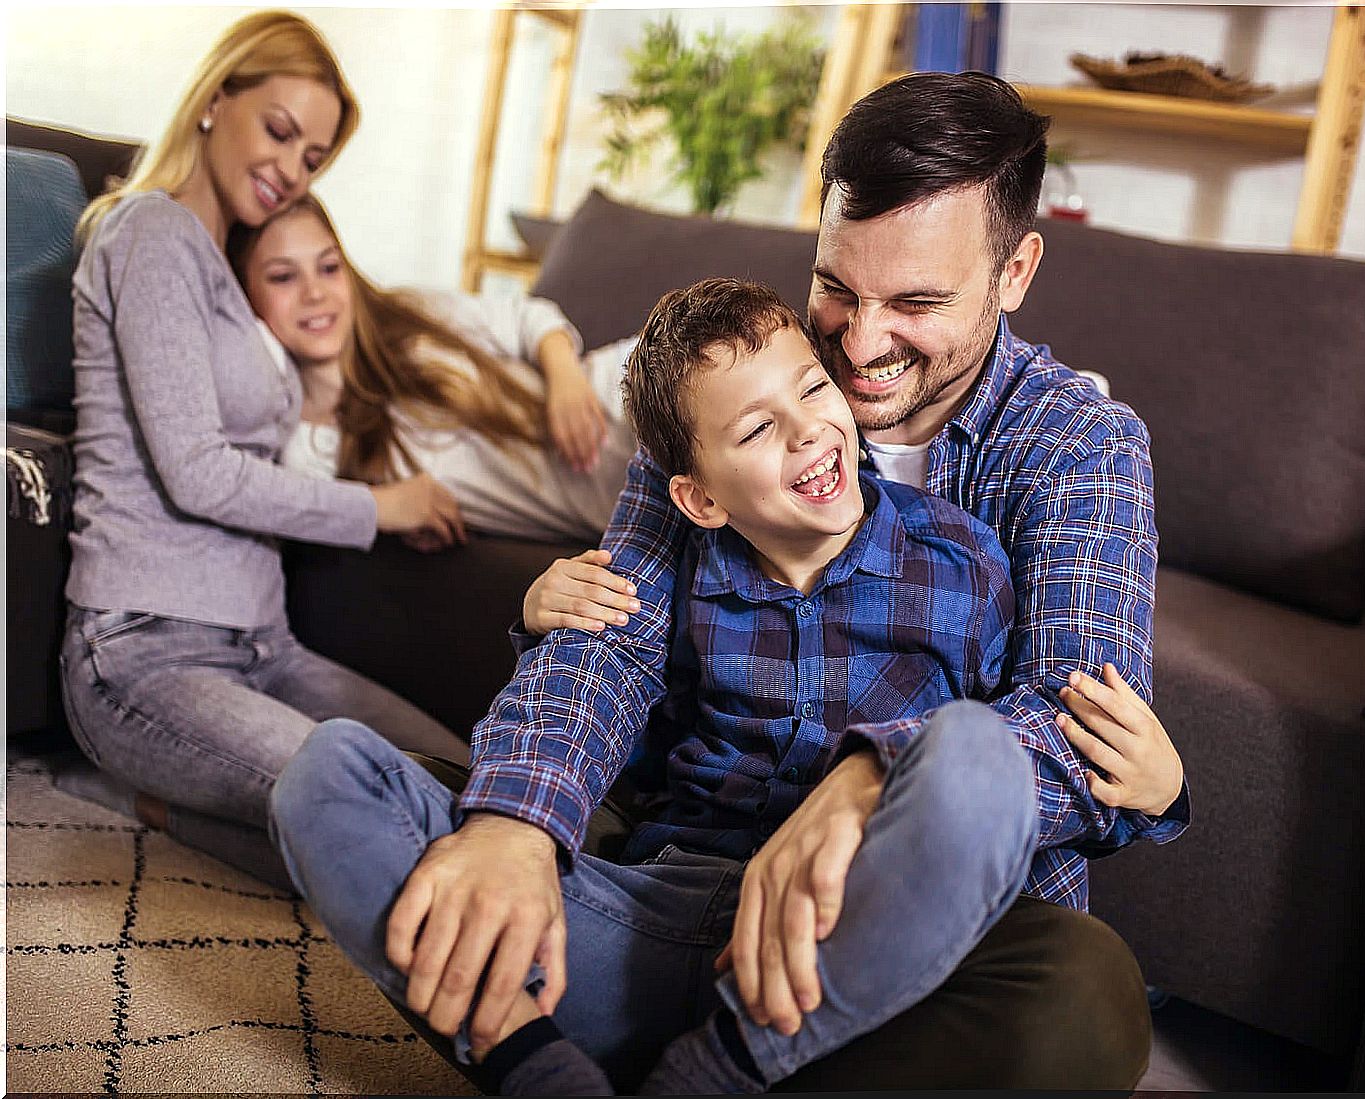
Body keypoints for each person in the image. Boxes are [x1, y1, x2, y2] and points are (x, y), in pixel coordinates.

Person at [273, 277, 1178, 1094]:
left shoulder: (964, 556)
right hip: (661, 916)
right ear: (700, 496)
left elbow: (1010, 775)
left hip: (847, 943)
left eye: (813, 390)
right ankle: (538, 1067)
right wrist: (516, 816)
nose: (807, 430)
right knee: (327, 777)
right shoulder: (681, 552)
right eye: (755, 430)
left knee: (997, 793)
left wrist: (1153, 795)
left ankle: (718, 1068)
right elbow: (599, 678)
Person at [58, 10, 471, 892]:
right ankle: (162, 798)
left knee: (469, 785)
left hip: (264, 643)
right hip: (143, 650)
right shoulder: (149, 232)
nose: (290, 170)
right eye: (280, 132)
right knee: (395, 816)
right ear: (215, 99)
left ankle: (179, 806)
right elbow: (196, 469)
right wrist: (380, 507)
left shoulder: (230, 263)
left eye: (313, 158)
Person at [229, 195, 639, 544]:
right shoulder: (308, 451)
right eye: (283, 277)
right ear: (245, 298)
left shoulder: (407, 315)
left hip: (626, 388)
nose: (314, 292)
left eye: (329, 267)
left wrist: (565, 379)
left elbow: (525, 317)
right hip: (619, 500)